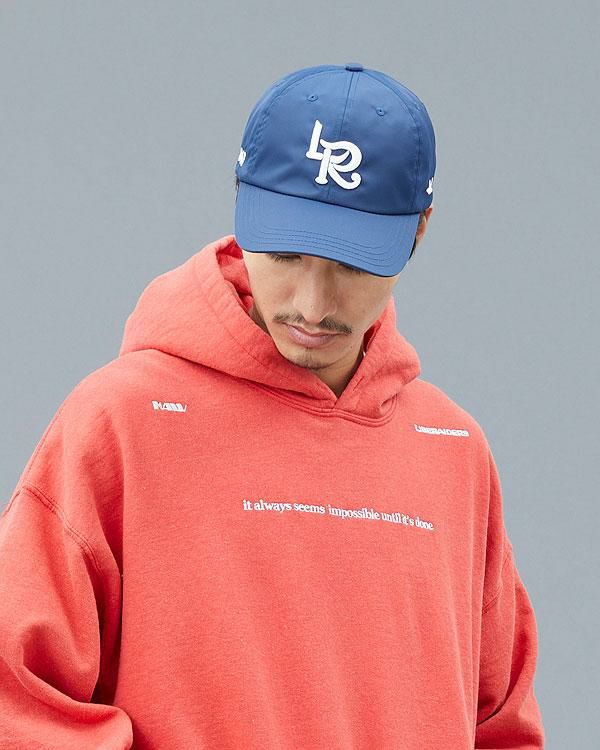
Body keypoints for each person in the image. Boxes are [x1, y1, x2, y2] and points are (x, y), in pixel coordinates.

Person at [0, 63, 545, 749]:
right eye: (286, 254)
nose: (313, 306)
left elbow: (502, 728)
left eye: (353, 264)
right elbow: (15, 699)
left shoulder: (451, 450)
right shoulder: (124, 423)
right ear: (242, 205)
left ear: (419, 231)